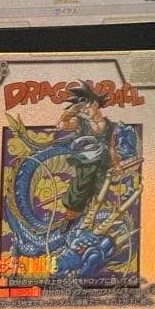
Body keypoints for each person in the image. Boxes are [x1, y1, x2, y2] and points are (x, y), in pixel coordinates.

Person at [56, 83, 118, 221]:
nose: (84, 111)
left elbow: (111, 146)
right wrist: (71, 111)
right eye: (82, 109)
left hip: (102, 163)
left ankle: (91, 218)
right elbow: (61, 125)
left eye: (86, 107)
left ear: (95, 104)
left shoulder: (109, 125)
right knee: (80, 187)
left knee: (100, 190)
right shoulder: (81, 122)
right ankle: (70, 217)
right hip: (87, 162)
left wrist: (115, 163)